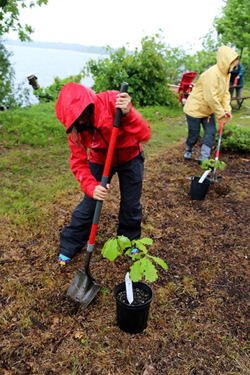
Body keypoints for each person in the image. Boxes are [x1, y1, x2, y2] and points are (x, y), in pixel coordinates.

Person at [55, 83, 151, 265]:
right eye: (75, 120)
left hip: (130, 156)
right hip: (99, 159)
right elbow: (78, 162)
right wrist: (92, 187)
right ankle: (69, 245)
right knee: (90, 204)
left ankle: (129, 242)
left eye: (82, 116)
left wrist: (129, 114)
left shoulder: (113, 101)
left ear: (88, 106)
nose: (82, 122)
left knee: (131, 205)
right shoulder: (75, 129)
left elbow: (144, 134)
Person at [183, 45, 239, 163]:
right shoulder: (212, 74)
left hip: (208, 111)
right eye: (232, 62)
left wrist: (227, 109)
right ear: (225, 60)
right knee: (194, 133)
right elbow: (210, 97)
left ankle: (204, 156)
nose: (234, 66)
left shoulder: (226, 74)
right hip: (195, 109)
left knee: (211, 132)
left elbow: (225, 94)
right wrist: (220, 113)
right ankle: (189, 149)